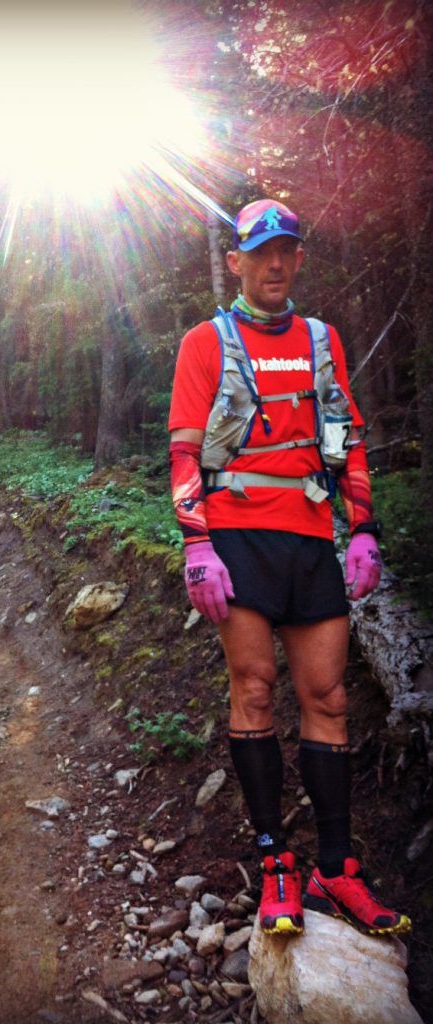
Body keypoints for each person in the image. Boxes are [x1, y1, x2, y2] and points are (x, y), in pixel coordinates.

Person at [168, 198, 410, 938]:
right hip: (237, 536)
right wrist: (196, 544)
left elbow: (345, 441)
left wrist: (361, 530)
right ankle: (275, 861)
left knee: (328, 697)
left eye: (287, 250)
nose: (274, 263)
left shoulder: (320, 339)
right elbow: (184, 453)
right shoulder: (206, 342)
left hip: (310, 540)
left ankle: (334, 869)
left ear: (297, 258)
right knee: (253, 688)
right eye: (260, 251)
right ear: (236, 260)